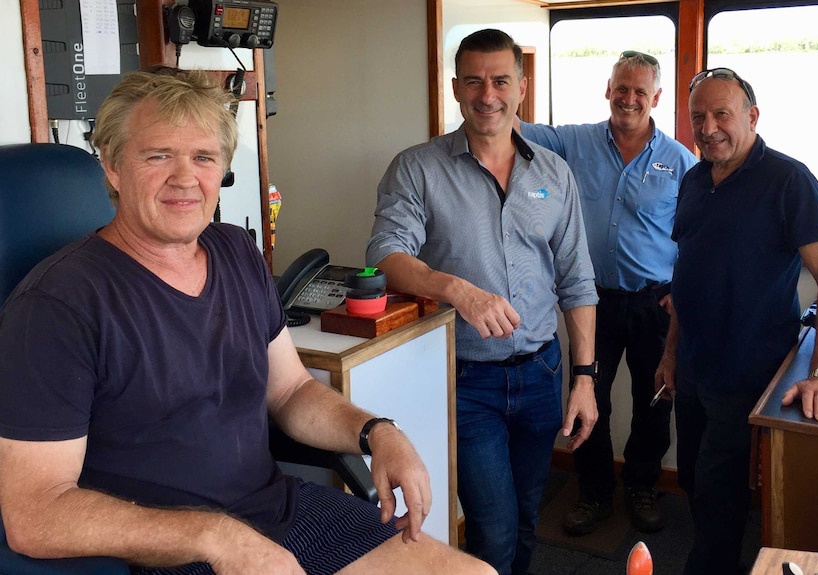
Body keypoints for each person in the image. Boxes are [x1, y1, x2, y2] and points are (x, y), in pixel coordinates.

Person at [0, 67, 495, 575]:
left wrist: (376, 432)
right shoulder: (57, 305)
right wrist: (214, 537)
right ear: (111, 165)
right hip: (165, 553)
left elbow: (289, 393)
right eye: (157, 156)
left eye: (203, 158)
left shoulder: (235, 249)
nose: (185, 177)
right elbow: (35, 513)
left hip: (276, 512)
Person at [366, 29, 599, 575]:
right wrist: (456, 290)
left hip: (542, 372)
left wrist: (584, 377)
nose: (487, 94)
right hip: (468, 381)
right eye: (474, 81)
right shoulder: (417, 167)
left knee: (525, 516)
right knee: (493, 529)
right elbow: (386, 255)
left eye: (500, 80)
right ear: (455, 87)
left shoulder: (554, 173)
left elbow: (577, 280)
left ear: (522, 86)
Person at [655, 67, 818, 575]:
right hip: (696, 369)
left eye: (721, 114)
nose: (708, 127)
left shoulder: (789, 180)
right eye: (698, 116)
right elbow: (686, 272)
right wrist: (671, 353)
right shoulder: (696, 179)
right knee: (697, 482)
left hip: (750, 375)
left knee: (720, 495)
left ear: (752, 116)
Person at [518, 51, 698, 535]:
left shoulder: (680, 160)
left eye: (641, 91)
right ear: (608, 89)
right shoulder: (573, 141)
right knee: (587, 393)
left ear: (656, 98)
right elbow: (515, 129)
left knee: (656, 397)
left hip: (654, 302)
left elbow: (697, 235)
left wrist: (679, 292)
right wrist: (504, 83)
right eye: (622, 87)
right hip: (589, 300)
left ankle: (642, 484)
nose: (629, 98)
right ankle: (593, 491)